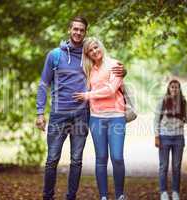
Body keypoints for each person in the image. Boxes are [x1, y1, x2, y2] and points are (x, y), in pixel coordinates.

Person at [36, 17, 125, 200]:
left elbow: (106, 67)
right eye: (75, 29)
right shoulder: (55, 55)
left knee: (76, 161)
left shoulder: (88, 55)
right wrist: (39, 112)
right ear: (69, 30)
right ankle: (48, 196)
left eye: (81, 30)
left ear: (85, 32)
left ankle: (71, 197)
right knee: (52, 159)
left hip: (82, 115)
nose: (78, 32)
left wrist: (124, 71)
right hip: (58, 115)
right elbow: (43, 84)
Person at [73, 37, 126, 200]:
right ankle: (103, 196)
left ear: (100, 46)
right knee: (101, 158)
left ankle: (120, 195)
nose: (94, 52)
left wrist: (88, 95)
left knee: (117, 157)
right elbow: (82, 88)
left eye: (96, 48)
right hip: (96, 118)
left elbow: (111, 90)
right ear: (87, 54)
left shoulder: (115, 65)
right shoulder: (88, 70)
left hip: (116, 116)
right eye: (90, 50)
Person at [154, 79, 187, 200]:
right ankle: (163, 192)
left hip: (178, 138)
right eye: (172, 87)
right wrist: (157, 136)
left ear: (179, 89)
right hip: (164, 137)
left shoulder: (183, 102)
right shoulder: (162, 101)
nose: (174, 89)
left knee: (177, 166)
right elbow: (156, 120)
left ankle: (176, 192)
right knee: (163, 166)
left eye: (176, 87)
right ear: (168, 88)